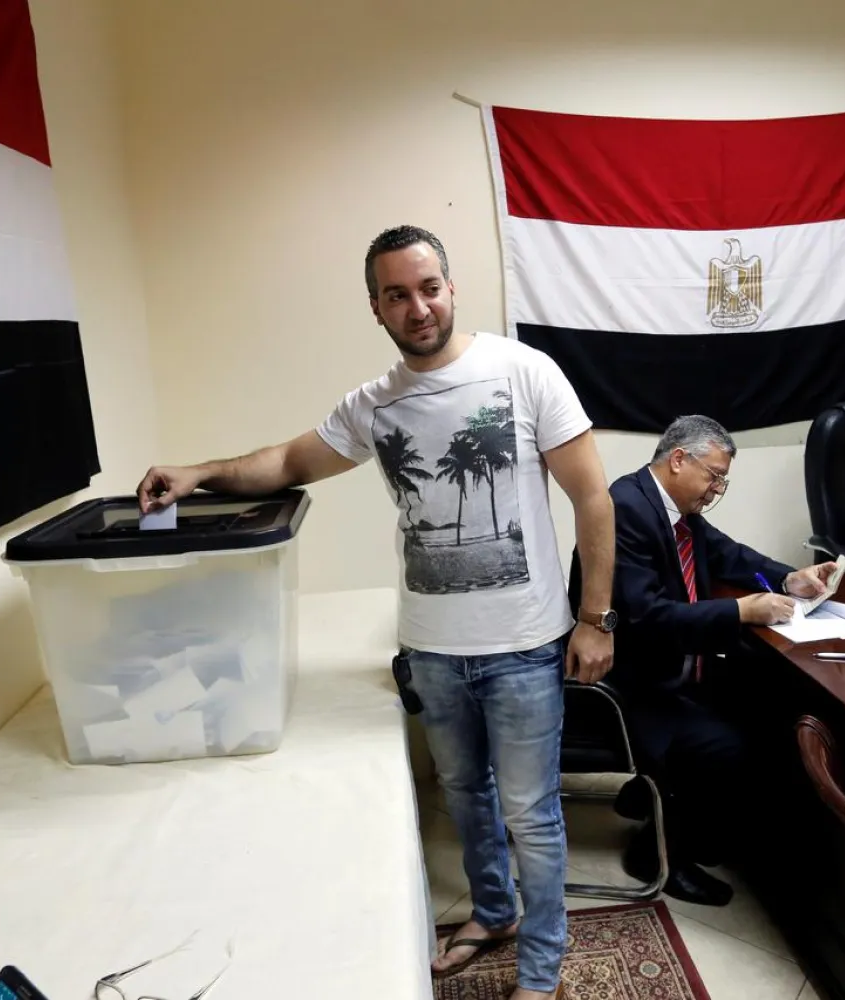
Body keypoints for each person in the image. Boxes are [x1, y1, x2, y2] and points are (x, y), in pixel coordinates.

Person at [135, 225, 614, 1000]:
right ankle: (492, 912)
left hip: (526, 645)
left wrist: (596, 618)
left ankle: (542, 969)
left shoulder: (525, 372)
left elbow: (592, 496)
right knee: (463, 795)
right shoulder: (374, 405)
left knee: (531, 813)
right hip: (431, 649)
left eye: (428, 287)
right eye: (398, 295)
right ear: (377, 309)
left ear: (452, 288)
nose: (417, 306)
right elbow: (289, 463)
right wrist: (199, 471)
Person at [569, 415, 837, 906]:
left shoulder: (670, 508)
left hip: (671, 668)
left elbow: (727, 553)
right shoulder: (626, 508)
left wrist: (789, 577)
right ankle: (660, 854)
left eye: (722, 480)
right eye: (713, 476)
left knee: (765, 704)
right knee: (729, 745)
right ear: (678, 460)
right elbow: (644, 618)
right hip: (631, 683)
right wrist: (739, 610)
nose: (716, 489)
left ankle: (666, 807)